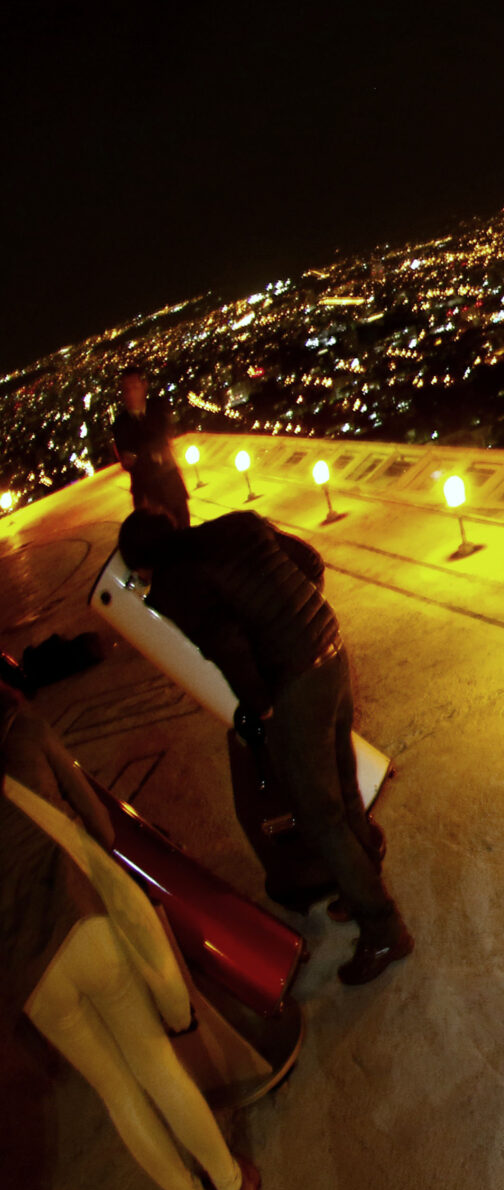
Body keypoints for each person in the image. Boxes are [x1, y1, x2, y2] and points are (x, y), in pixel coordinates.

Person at [2, 686, 265, 1190]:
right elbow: (99, 824)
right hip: (82, 922)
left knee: (116, 1091)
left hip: (28, 974)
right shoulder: (24, 732)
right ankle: (234, 1184)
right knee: (155, 1064)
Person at [114, 508, 411, 985]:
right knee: (342, 784)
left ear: (145, 565)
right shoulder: (237, 524)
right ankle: (362, 882)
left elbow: (226, 646)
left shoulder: (174, 585)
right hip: (329, 644)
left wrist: (262, 706)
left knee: (320, 818)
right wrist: (298, 620)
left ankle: (383, 929)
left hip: (296, 682)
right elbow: (309, 561)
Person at [109, 366, 191, 529]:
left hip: (171, 486)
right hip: (146, 495)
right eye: (126, 390)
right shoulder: (119, 424)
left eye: (135, 388)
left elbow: (163, 437)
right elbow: (127, 461)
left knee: (184, 530)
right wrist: (152, 453)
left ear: (144, 386)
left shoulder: (158, 407)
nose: (130, 394)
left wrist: (140, 454)